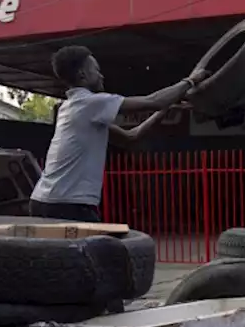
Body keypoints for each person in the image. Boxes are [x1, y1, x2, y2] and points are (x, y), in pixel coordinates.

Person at [29, 46, 209, 222]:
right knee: (105, 251)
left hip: (43, 200)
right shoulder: (90, 103)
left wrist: (165, 109)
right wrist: (190, 81)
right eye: (96, 70)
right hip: (67, 204)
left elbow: (130, 137)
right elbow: (153, 101)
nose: (102, 75)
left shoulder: (71, 107)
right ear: (82, 74)